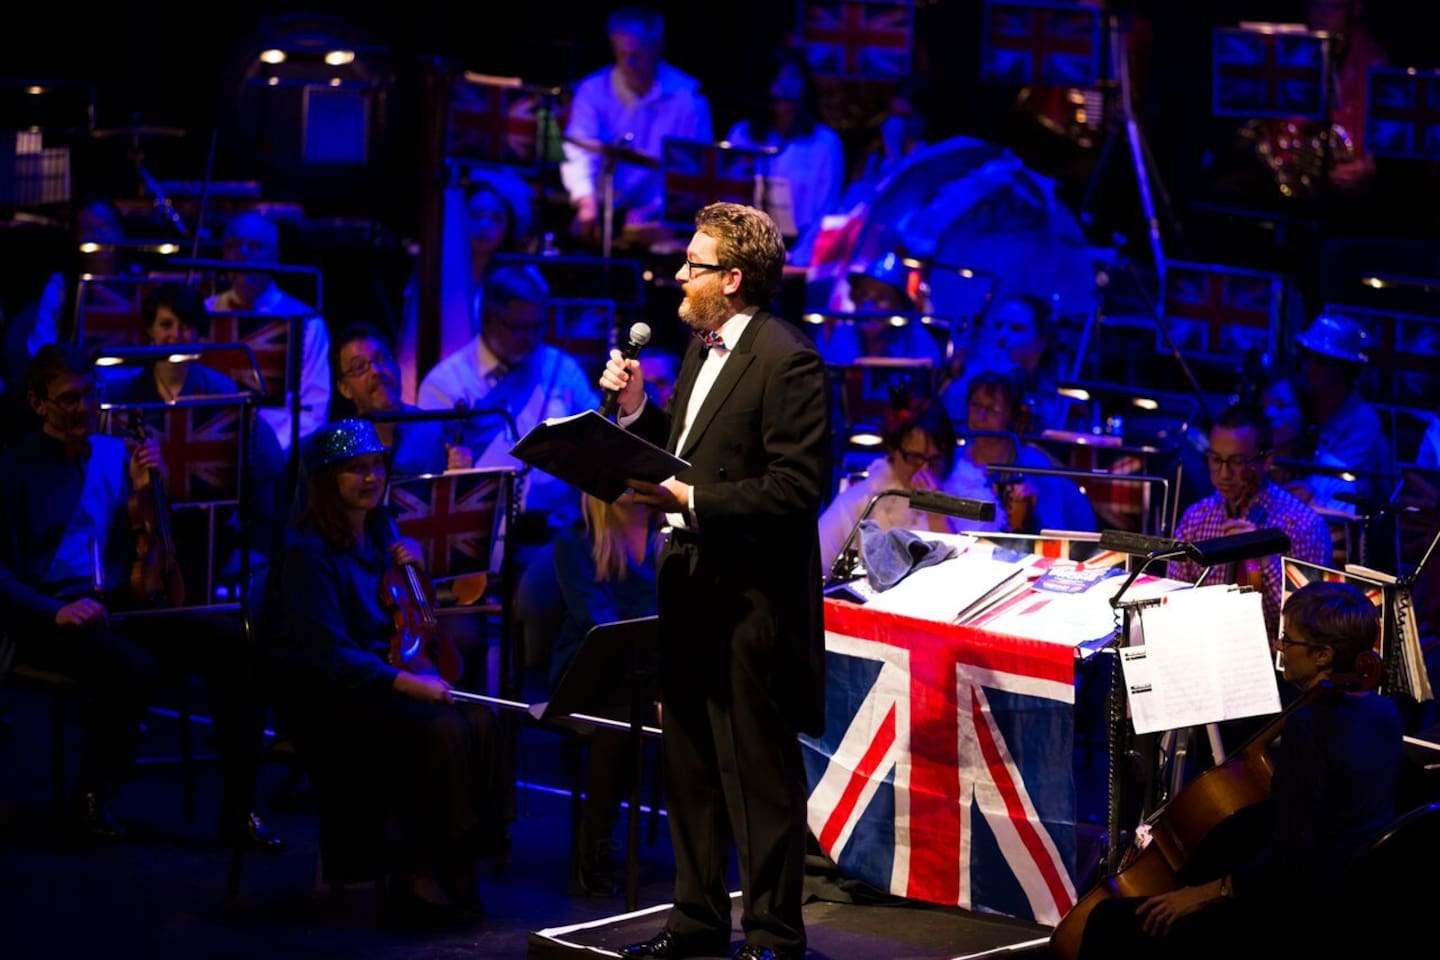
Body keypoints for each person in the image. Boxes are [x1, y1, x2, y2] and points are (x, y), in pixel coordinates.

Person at [600, 201, 830, 960]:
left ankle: (772, 936)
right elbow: (690, 449)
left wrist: (693, 500)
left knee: (756, 771)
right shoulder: (702, 347)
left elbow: (798, 490)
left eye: (693, 265)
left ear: (731, 279)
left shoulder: (787, 357)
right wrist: (636, 413)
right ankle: (696, 921)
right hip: (691, 588)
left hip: (750, 599)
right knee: (690, 761)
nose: (679, 274)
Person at [0, 342, 279, 850]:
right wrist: (55, 610)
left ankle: (240, 809)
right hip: (50, 614)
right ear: (38, 403)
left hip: (118, 599)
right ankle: (90, 796)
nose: (83, 408)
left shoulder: (113, 454)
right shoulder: (14, 469)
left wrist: (152, 491)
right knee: (132, 668)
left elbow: (154, 548)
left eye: (89, 396)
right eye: (67, 400)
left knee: (234, 643)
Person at [1075, 579, 1402, 959]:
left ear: (1323, 656)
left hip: (1306, 908)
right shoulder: (1385, 711)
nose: (1280, 646)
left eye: (1289, 640)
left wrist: (1204, 893)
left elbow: (1291, 857)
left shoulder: (1309, 726)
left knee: (1108, 920)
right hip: (1359, 894)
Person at [260, 418, 500, 925]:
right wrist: (415, 684)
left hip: (379, 678)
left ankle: (451, 858)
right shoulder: (307, 552)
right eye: (356, 469)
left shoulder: (381, 531)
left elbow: (402, 614)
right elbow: (330, 654)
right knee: (438, 728)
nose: (371, 478)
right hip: (328, 692)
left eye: (375, 466)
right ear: (327, 479)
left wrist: (416, 568)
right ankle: (418, 871)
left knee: (479, 721)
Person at [417, 264, 598, 519]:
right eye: (519, 328)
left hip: (557, 525)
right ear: (488, 321)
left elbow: (597, 438)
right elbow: (427, 472)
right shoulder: (446, 384)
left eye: (537, 326)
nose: (530, 338)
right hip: (476, 525)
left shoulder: (561, 368)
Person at [549, 491, 661, 897]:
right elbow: (601, 627)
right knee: (619, 718)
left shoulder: (669, 532)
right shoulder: (576, 540)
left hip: (653, 669)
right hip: (589, 673)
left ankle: (704, 854)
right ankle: (593, 847)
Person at [1165, 404, 1332, 641]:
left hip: (1275, 658)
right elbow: (1174, 600)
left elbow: (1307, 625)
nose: (1223, 474)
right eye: (1215, 459)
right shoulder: (1196, 517)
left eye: (1237, 462)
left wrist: (1266, 560)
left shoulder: (1303, 526)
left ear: (1267, 460)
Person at [560, 6, 713, 242]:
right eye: (622, 55)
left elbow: (692, 173)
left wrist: (656, 210)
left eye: (638, 55)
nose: (629, 64)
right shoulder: (592, 90)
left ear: (657, 49)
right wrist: (586, 201)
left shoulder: (689, 99)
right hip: (603, 210)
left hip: (659, 220)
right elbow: (578, 153)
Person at [397, 166, 534, 403]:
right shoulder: (437, 273)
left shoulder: (519, 278)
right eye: (476, 215)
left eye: (495, 218)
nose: (485, 227)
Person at [206, 211, 331, 454]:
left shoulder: (305, 322)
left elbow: (314, 409)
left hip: (281, 456)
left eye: (254, 246)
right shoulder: (204, 314)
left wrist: (272, 453)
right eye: (234, 245)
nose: (242, 253)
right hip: (210, 452)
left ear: (274, 256)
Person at [818, 395, 969, 572]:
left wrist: (937, 512)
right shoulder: (861, 500)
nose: (925, 470)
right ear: (893, 451)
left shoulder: (967, 497)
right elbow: (816, 564)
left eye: (935, 460)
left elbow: (960, 572)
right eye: (915, 458)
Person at [950, 371, 1097, 536]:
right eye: (975, 405)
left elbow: (1055, 531)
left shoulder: (1032, 466)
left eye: (993, 409)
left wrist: (1029, 517)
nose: (981, 416)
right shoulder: (952, 458)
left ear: (1012, 415)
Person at [723, 49, 844, 244]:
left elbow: (826, 209)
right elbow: (726, 195)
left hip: (798, 250)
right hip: (742, 243)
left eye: (794, 79)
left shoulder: (825, 143)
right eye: (778, 78)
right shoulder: (742, 135)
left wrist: (799, 255)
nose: (785, 86)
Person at [331, 322, 474, 479]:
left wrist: (464, 475)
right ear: (344, 388)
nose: (376, 371)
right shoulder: (337, 447)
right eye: (360, 367)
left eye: (382, 359)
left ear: (397, 366)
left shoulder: (438, 432)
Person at [1295, 312, 1391, 501]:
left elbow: (1335, 490)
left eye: (1321, 361)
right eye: (1308, 357)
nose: (1309, 367)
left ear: (1346, 369)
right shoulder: (1302, 407)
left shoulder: (1364, 420)